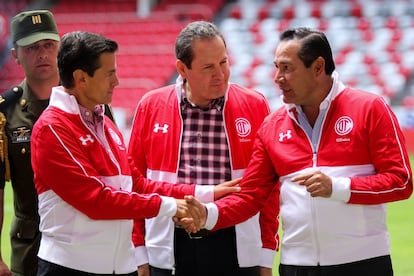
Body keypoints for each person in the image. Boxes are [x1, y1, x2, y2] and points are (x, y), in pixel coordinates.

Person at [190, 27, 413, 276]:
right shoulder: (272, 126)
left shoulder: (370, 108)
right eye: (276, 67)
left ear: (318, 67)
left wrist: (337, 188)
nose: (277, 77)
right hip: (296, 266)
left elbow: (400, 181)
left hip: (363, 263)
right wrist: (208, 215)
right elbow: (250, 196)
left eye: (286, 68)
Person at [31, 30, 240, 276]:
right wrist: (171, 206)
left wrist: (204, 193)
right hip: (70, 268)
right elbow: (97, 201)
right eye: (109, 74)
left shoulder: (106, 125)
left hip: (120, 267)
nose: (116, 81)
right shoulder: (52, 128)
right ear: (81, 78)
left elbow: (135, 186)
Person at [128, 21, 279, 276]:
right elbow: (134, 185)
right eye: (208, 67)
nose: (219, 74)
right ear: (182, 68)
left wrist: (266, 256)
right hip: (168, 244)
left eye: (223, 62)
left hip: (235, 241)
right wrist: (139, 252)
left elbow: (268, 189)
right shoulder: (150, 106)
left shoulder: (255, 105)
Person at [0, 10, 118, 276]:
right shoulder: (4, 113)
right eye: (31, 48)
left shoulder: (92, 104)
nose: (42, 54)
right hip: (32, 247)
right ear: (15, 55)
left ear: (60, 49)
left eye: (48, 45)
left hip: (88, 243)